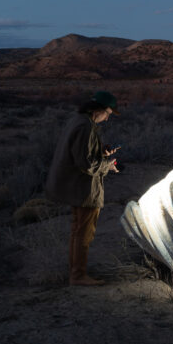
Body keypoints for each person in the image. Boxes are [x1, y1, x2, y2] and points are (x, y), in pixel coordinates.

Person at [45, 91, 120, 286]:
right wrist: (108, 165)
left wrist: (101, 151)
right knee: (84, 232)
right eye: (108, 113)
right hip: (83, 189)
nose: (108, 117)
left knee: (78, 230)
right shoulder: (85, 126)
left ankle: (76, 272)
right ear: (99, 110)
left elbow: (82, 153)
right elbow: (87, 164)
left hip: (77, 186)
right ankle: (78, 276)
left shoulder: (80, 121)